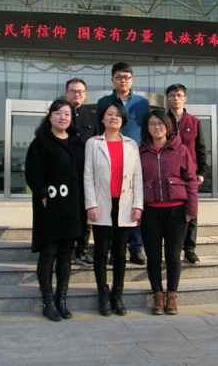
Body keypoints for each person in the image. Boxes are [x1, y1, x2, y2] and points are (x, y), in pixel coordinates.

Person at [25, 99, 85, 322]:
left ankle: (62, 300)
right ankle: (48, 302)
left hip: (71, 207)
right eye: (58, 113)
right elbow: (32, 171)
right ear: (50, 116)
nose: (63, 117)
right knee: (49, 252)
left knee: (66, 255)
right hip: (49, 206)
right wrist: (42, 194)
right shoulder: (41, 141)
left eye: (67, 114)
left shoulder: (77, 142)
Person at [84, 102, 143, 316]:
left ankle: (117, 293)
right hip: (101, 203)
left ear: (123, 120)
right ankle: (103, 293)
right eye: (109, 114)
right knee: (101, 251)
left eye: (118, 115)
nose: (113, 117)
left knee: (120, 251)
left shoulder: (131, 144)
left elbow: (137, 177)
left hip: (125, 203)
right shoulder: (93, 143)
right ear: (102, 118)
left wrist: (138, 205)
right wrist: (91, 204)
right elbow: (88, 176)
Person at [139, 109, 197, 315]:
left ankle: (172, 295)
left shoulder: (180, 149)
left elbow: (191, 180)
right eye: (152, 123)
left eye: (161, 123)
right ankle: (157, 294)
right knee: (153, 256)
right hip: (150, 212)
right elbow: (135, 182)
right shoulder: (140, 151)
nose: (157, 127)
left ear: (168, 126)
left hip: (176, 210)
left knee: (173, 255)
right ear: (147, 128)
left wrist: (191, 209)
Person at [96, 62, 150, 265]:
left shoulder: (142, 103)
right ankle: (113, 248)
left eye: (126, 77)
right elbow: (99, 128)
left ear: (132, 80)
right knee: (111, 204)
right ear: (112, 80)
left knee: (133, 202)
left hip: (134, 156)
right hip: (110, 156)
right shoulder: (104, 102)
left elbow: (146, 129)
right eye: (119, 77)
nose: (123, 81)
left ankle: (136, 248)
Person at [165, 83, 209, 264]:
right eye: (172, 95)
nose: (175, 98)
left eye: (179, 95)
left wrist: (202, 171)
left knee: (191, 212)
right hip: (169, 174)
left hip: (190, 175)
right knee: (170, 213)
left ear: (185, 98)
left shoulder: (194, 121)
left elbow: (201, 149)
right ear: (167, 99)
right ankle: (171, 250)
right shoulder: (162, 120)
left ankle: (189, 250)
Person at [64, 77, 99, 267]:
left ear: (85, 95)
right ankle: (65, 249)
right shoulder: (60, 114)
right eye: (73, 91)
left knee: (85, 213)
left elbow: (99, 145)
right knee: (66, 211)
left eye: (80, 91)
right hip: (64, 173)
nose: (76, 94)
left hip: (86, 173)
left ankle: (82, 250)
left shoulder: (92, 118)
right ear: (66, 93)